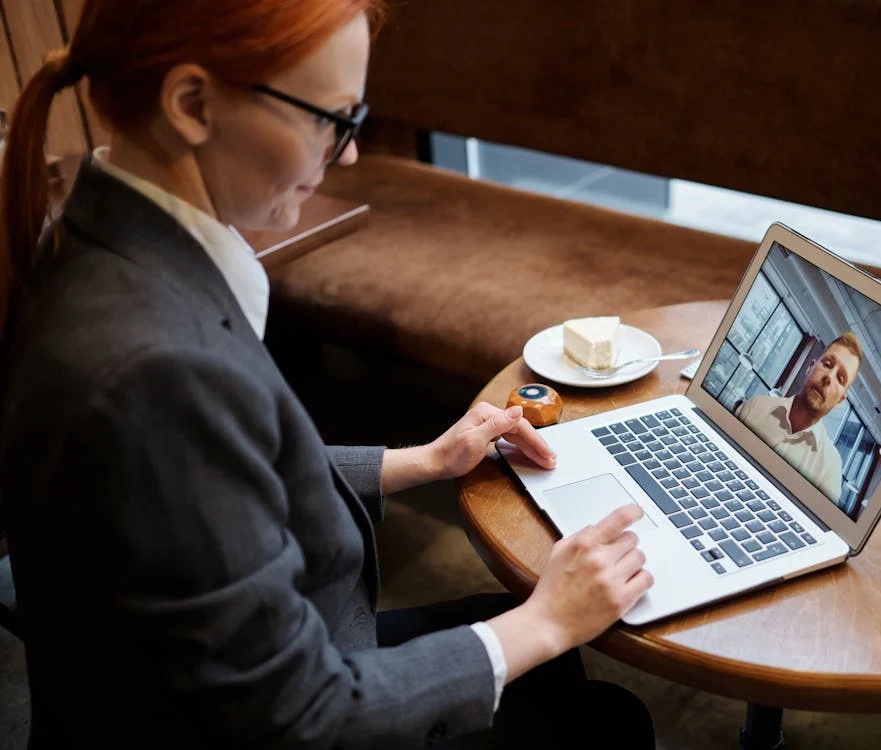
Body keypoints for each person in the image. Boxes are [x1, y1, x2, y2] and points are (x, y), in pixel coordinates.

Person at [0, 2, 655, 748]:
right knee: (607, 717)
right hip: (261, 706)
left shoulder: (91, 239)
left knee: (552, 670)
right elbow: (296, 715)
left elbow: (210, 485)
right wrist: (542, 621)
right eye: (331, 119)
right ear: (192, 104)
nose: (345, 156)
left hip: (187, 673)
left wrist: (425, 461)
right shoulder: (158, 367)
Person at [733, 333, 863, 503]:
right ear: (810, 367)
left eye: (840, 378)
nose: (828, 377)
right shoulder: (756, 406)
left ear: (840, 400)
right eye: (827, 364)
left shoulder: (830, 469)